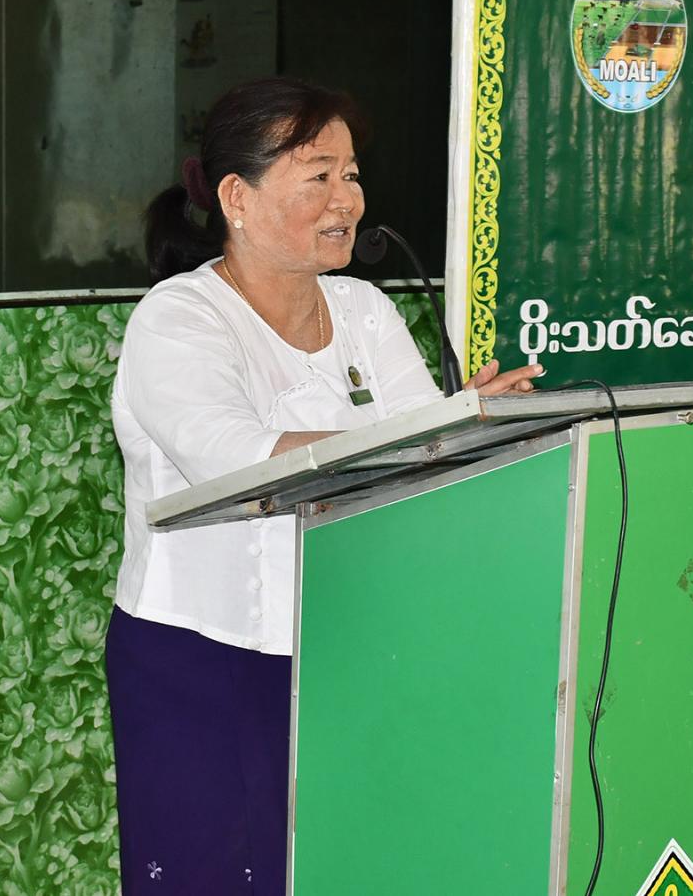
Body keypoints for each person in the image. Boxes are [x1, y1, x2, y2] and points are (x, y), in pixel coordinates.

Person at [104, 77, 539, 894]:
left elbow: (422, 459)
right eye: (319, 175)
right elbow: (237, 461)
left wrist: (468, 423)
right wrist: (425, 430)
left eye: (352, 173)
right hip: (203, 661)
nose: (348, 198)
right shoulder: (179, 318)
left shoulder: (365, 310)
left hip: (346, 646)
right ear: (237, 197)